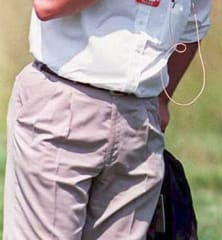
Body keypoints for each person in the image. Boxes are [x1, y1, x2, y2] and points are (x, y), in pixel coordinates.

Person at [3, 0, 211, 239]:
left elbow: (194, 24)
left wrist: (162, 101)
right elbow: (48, 5)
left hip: (140, 120)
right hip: (63, 101)